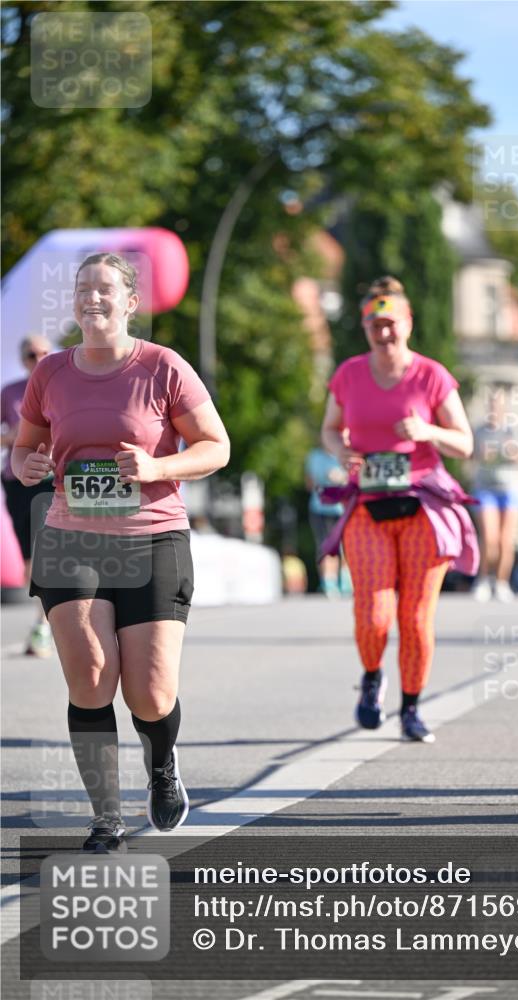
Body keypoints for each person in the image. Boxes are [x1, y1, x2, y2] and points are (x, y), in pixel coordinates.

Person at [11, 252, 230, 851]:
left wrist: (159, 464)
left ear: (130, 302)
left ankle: (162, 766)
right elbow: (24, 449)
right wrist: (26, 464)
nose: (92, 298)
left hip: (153, 536)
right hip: (70, 538)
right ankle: (105, 816)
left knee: (150, 694)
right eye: (83, 289)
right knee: (90, 682)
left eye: (105, 289)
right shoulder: (51, 372)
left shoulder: (162, 367)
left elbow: (216, 447)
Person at [320, 276, 478, 742]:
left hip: (422, 505)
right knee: (373, 614)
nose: (383, 333)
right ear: (365, 328)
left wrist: (428, 433)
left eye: (391, 324)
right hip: (368, 505)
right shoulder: (348, 374)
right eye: (375, 325)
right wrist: (339, 452)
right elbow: (329, 429)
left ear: (408, 323)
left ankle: (411, 708)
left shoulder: (432, 375)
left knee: (415, 617)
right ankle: (372, 676)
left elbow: (465, 444)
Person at [1, 335, 55, 656]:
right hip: (17, 480)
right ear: (22, 359)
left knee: (46, 552)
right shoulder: (9, 392)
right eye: (32, 354)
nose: (39, 359)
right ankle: (46, 620)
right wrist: (15, 437)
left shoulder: (63, 387)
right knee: (28, 562)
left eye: (45, 353)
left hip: (52, 480)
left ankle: (43, 626)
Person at [470, 386, 518, 602]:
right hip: (485, 489)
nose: (495, 408)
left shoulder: (513, 431)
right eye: (492, 404)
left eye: (499, 404)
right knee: (490, 538)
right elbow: (471, 456)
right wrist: (482, 454)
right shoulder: (480, 431)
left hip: (509, 490)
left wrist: (512, 451)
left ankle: (502, 583)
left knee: (505, 540)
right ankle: (483, 579)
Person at [305, 446, 351, 597]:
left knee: (346, 545)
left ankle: (346, 581)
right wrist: (324, 478)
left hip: (342, 508)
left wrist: (343, 478)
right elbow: (309, 483)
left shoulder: (347, 453)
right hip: (321, 508)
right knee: (325, 545)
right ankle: (328, 582)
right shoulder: (314, 456)